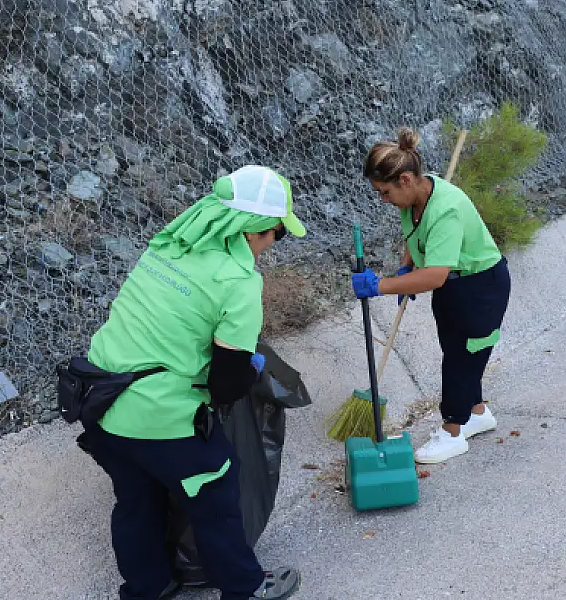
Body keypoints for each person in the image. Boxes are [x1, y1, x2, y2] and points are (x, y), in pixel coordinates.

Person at [80, 165, 306, 600]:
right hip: (160, 416)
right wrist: (251, 368)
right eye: (276, 233)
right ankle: (244, 588)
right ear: (253, 230)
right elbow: (225, 387)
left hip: (99, 401)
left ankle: (148, 588)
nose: (274, 243)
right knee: (218, 489)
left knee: (135, 501)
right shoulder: (238, 284)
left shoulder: (166, 246)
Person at [350, 127, 512, 465]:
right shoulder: (413, 198)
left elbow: (436, 275)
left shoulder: (445, 208)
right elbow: (416, 237)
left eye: (384, 192)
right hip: (454, 287)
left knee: (461, 360)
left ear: (405, 180)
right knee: (456, 350)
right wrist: (407, 267)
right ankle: (477, 413)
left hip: (480, 286)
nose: (384, 200)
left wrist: (381, 285)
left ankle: (452, 432)